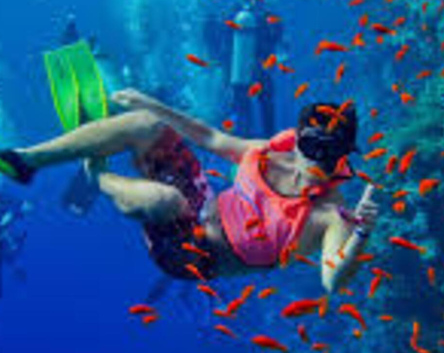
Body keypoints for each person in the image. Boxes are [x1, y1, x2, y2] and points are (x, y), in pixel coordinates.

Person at [0, 89, 379, 293]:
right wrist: (153, 105)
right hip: (201, 201)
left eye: (332, 157)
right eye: (313, 148)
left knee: (164, 200)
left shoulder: (331, 214)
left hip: (194, 256)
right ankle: (25, 161)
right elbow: (211, 136)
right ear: (297, 140)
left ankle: (96, 174)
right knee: (147, 124)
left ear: (345, 158)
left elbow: (333, 281)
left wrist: (361, 233)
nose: (319, 165)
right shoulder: (272, 151)